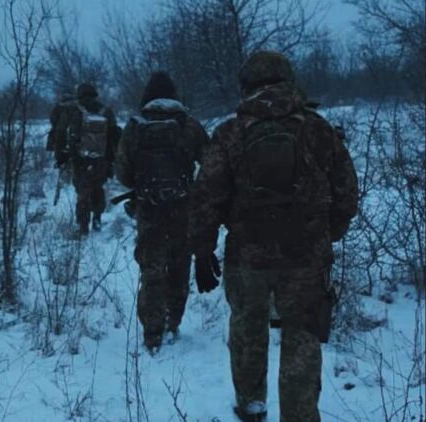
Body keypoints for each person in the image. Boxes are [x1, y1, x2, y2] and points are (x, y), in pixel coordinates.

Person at [187, 51, 358, 421]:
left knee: (248, 329)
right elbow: (347, 193)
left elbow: (206, 197)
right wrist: (327, 234)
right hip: (306, 255)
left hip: (247, 256)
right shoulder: (318, 129)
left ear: (246, 85)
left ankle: (251, 405)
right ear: (288, 80)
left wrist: (202, 249)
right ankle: (299, 415)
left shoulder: (230, 133)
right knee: (302, 334)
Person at [115, 72, 209, 354]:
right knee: (179, 265)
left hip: (149, 209)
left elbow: (122, 172)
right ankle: (173, 322)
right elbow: (210, 163)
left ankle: (153, 332)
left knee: (152, 268)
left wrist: (143, 185)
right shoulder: (189, 125)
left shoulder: (135, 127)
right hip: (183, 207)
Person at [60, 82, 118, 235]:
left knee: (83, 192)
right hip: (102, 159)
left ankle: (83, 226)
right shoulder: (106, 111)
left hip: (80, 159)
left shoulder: (74, 111)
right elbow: (114, 136)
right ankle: (97, 218)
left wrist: (62, 157)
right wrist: (112, 160)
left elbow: (61, 133)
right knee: (98, 187)